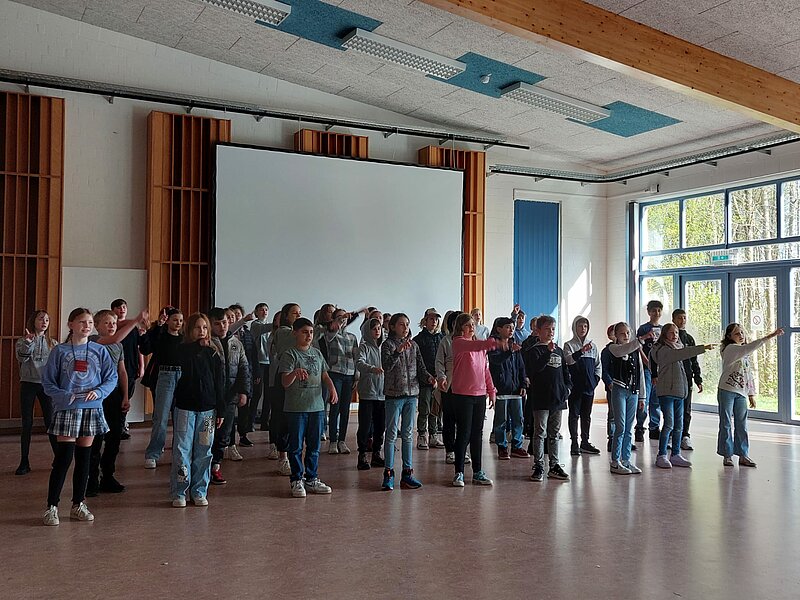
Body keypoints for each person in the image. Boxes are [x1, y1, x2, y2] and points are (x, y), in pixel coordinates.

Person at [41, 308, 118, 526]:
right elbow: (48, 382)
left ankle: (78, 504)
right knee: (64, 458)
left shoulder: (99, 350)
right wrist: (64, 396)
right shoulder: (60, 351)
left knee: (85, 458)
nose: (87, 326)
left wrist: (100, 392)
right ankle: (52, 507)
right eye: (82, 322)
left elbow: (111, 378)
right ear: (71, 325)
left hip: (91, 408)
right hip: (67, 409)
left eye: (90, 322)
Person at [170, 312, 225, 507]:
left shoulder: (213, 353)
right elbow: (184, 365)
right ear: (190, 330)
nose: (201, 331)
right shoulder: (182, 350)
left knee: (204, 451)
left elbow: (219, 383)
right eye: (197, 327)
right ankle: (179, 491)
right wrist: (197, 347)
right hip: (185, 409)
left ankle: (199, 490)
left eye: (204, 327)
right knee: (182, 450)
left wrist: (221, 410)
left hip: (208, 412)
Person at [280, 317, 338, 497]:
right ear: (295, 333)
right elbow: (284, 382)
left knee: (314, 445)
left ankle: (311, 478)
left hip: (316, 407)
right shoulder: (290, 354)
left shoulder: (317, 353)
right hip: (296, 408)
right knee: (296, 446)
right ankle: (296, 479)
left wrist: (332, 388)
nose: (309, 336)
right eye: (305, 332)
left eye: (311, 332)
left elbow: (324, 375)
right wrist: (294, 373)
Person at [717, 324, 783, 467]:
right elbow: (749, 347)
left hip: (741, 392)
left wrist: (751, 394)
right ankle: (727, 455)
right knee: (726, 422)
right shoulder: (729, 349)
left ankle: (743, 454)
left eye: (742, 332)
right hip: (727, 390)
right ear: (729, 337)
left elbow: (748, 374)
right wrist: (770, 336)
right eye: (737, 333)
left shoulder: (744, 353)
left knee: (742, 424)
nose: (741, 335)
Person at [450, 312, 505, 487]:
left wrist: (491, 390)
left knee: (477, 434)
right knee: (464, 432)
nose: (471, 327)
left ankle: (477, 471)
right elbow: (474, 346)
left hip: (479, 394)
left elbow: (485, 370)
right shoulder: (458, 343)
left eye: (473, 324)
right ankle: (459, 472)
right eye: (467, 325)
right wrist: (492, 343)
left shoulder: (479, 347)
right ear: (460, 328)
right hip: (462, 394)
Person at [380, 313, 433, 490]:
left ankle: (407, 473)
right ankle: (388, 473)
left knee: (408, 434)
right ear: (392, 327)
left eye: (407, 324)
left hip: (412, 395)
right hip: (394, 395)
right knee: (391, 434)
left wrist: (429, 378)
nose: (405, 328)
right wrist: (398, 351)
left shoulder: (414, 345)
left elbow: (421, 368)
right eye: (401, 324)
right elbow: (386, 366)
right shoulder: (387, 345)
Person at [649, 323, 711, 469]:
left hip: (679, 392)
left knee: (679, 425)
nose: (675, 335)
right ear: (664, 335)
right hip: (667, 392)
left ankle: (675, 454)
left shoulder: (678, 347)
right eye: (671, 333)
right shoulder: (663, 350)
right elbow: (682, 354)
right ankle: (661, 455)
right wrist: (702, 348)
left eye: (676, 332)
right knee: (669, 424)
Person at [524, 315, 571, 482]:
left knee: (554, 433)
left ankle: (554, 465)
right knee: (540, 432)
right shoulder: (534, 351)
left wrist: (568, 388)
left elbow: (565, 372)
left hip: (558, 398)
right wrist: (547, 352)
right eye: (547, 329)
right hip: (541, 398)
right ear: (538, 331)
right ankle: (539, 465)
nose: (551, 332)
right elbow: (534, 369)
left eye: (553, 329)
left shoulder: (559, 350)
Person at [208, 307, 251, 484]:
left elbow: (244, 368)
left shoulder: (236, 343)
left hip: (230, 397)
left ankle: (215, 467)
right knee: (207, 435)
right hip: (210, 399)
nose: (222, 326)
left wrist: (244, 391)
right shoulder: (207, 343)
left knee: (224, 435)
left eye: (224, 322)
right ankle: (203, 467)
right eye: (217, 324)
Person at [139, 307, 184, 469]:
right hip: (164, 375)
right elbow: (147, 348)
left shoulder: (184, 339)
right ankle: (153, 454)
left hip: (182, 376)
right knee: (161, 417)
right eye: (175, 320)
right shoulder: (161, 335)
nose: (178, 323)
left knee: (181, 418)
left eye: (180, 320)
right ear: (168, 321)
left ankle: (179, 453)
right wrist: (158, 326)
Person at [15, 309, 58, 475]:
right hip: (28, 384)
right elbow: (21, 358)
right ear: (33, 321)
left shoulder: (53, 343)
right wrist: (28, 342)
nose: (44, 322)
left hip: (46, 385)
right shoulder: (23, 340)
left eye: (47, 319)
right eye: (41, 319)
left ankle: (58, 458)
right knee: (27, 423)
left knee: (50, 421)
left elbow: (57, 365)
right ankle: (24, 461)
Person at [606, 323, 652, 475]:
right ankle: (615, 461)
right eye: (622, 333)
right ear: (616, 335)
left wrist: (642, 397)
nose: (625, 336)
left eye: (627, 333)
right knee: (620, 426)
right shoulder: (614, 348)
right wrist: (641, 340)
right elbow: (621, 351)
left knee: (628, 428)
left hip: (633, 392)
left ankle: (626, 460)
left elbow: (641, 374)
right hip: (619, 390)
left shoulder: (635, 350)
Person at [487, 317, 528, 460]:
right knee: (501, 421)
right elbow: (495, 361)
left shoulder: (514, 345)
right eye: (507, 327)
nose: (511, 330)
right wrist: (509, 351)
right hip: (501, 390)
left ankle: (517, 446)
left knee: (518, 419)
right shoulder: (493, 345)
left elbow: (521, 367)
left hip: (516, 390)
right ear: (499, 329)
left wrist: (523, 384)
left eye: (512, 327)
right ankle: (502, 447)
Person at [269, 303, 303, 476]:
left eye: (300, 313)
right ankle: (283, 457)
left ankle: (293, 456)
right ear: (285, 315)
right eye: (294, 313)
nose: (298, 316)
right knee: (282, 417)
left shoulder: (299, 333)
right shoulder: (283, 332)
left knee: (296, 419)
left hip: (299, 379)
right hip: (284, 376)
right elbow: (295, 338)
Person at [320, 308, 358, 455]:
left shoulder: (352, 337)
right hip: (335, 373)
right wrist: (338, 321)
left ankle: (342, 440)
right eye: (340, 317)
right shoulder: (330, 334)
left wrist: (357, 376)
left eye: (345, 317)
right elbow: (329, 336)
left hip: (349, 375)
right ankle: (333, 441)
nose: (343, 319)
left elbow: (356, 357)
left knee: (345, 409)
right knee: (334, 408)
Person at [563, 316, 602, 456]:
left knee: (586, 416)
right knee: (574, 415)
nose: (583, 329)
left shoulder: (593, 346)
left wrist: (595, 381)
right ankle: (574, 442)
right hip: (575, 388)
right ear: (574, 327)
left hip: (589, 388)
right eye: (580, 326)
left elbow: (598, 366)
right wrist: (581, 351)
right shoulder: (569, 345)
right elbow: (568, 361)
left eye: (585, 326)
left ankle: (585, 442)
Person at [111, 298, 144, 440]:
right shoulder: (112, 326)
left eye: (124, 307)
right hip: (114, 367)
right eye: (119, 307)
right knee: (113, 399)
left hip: (130, 366)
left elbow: (138, 347)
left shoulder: (134, 328)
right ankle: (113, 427)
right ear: (113, 310)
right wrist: (136, 320)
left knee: (126, 397)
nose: (122, 309)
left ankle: (122, 426)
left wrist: (142, 366)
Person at [356, 317, 386, 470]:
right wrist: (371, 369)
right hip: (368, 393)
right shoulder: (364, 347)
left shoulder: (385, 347)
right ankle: (362, 454)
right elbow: (359, 363)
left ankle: (376, 453)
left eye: (379, 328)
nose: (377, 331)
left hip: (383, 393)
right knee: (365, 426)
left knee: (380, 426)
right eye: (374, 328)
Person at [672, 309, 703, 451]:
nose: (682, 321)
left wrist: (698, 378)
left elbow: (694, 360)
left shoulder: (689, 339)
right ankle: (672, 435)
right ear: (673, 319)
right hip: (673, 378)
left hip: (687, 377)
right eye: (679, 318)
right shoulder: (669, 339)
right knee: (672, 408)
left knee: (686, 409)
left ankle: (685, 435)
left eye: (684, 318)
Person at [413, 308, 443, 450]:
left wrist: (440, 375)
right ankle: (422, 435)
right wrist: (427, 376)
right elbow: (418, 363)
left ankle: (433, 435)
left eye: (436, 319)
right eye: (431, 319)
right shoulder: (418, 340)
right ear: (425, 321)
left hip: (439, 379)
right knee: (424, 408)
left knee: (435, 409)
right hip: (425, 380)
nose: (434, 321)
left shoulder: (441, 338)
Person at [636, 300, 663, 441]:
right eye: (653, 310)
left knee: (656, 400)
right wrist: (647, 362)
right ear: (648, 312)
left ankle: (654, 427)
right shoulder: (643, 328)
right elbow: (638, 346)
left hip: (660, 370)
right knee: (644, 398)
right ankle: (640, 427)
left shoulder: (664, 329)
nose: (656, 313)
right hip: (646, 368)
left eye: (658, 310)